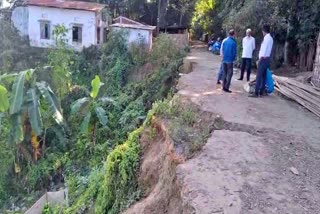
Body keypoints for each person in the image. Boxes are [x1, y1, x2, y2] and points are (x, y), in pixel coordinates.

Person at [249, 24, 273, 97]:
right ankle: (262, 91)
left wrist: (260, 59)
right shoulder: (270, 38)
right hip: (267, 59)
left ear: (263, 31)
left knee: (259, 76)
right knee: (263, 76)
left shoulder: (266, 39)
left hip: (263, 59)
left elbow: (264, 50)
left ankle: (256, 92)